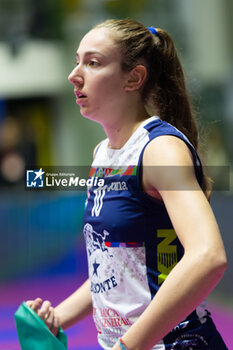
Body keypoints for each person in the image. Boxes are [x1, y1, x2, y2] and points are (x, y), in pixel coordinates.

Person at [26, 19, 228, 350]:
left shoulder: (160, 149)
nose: (74, 74)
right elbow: (117, 267)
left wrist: (127, 346)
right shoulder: (102, 155)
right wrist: (56, 319)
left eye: (92, 62)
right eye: (77, 60)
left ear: (133, 77)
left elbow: (208, 257)